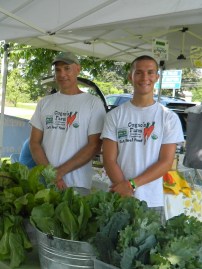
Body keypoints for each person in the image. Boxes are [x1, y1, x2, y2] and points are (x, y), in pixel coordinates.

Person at [101, 55, 184, 223]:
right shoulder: (115, 115)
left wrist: (131, 185)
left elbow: (166, 162)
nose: (145, 77)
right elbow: (109, 159)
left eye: (150, 72)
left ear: (157, 77)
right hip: (120, 197)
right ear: (130, 76)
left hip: (152, 200)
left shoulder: (168, 118)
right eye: (139, 72)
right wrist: (124, 190)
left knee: (151, 249)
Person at [29, 51, 106, 195]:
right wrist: (50, 174)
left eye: (67, 68)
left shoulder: (93, 103)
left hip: (77, 184)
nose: (62, 74)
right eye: (58, 70)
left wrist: (59, 172)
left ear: (78, 69)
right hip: (45, 182)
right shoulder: (44, 103)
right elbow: (34, 142)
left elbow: (95, 145)